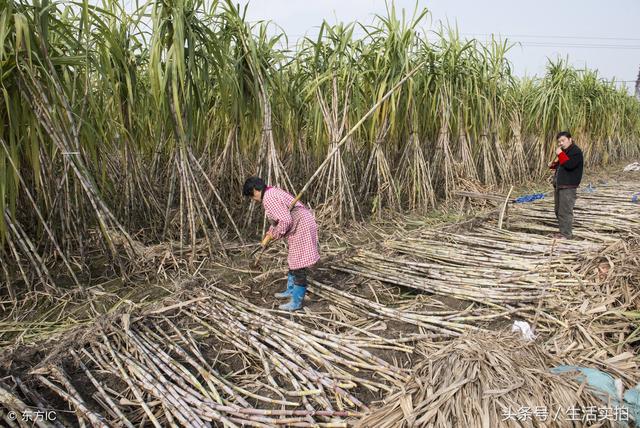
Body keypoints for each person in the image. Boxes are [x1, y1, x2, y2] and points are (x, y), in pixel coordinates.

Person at [243, 177, 320, 311]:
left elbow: (285, 221)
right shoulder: (271, 192)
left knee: (298, 263)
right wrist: (270, 233)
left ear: (255, 190)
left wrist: (276, 234)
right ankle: (291, 290)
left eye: (251, 196)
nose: (253, 199)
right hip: (301, 223)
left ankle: (297, 301)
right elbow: (280, 219)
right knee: (293, 259)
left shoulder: (269, 198)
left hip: (302, 226)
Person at [548, 131, 583, 239]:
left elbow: (569, 165)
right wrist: (553, 165)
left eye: (563, 140)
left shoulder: (576, 151)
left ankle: (566, 235)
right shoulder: (565, 152)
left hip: (568, 186)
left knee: (565, 211)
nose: (561, 143)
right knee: (558, 210)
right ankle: (562, 232)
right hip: (560, 185)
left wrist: (560, 154)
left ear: (570, 139)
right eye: (559, 142)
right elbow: (561, 165)